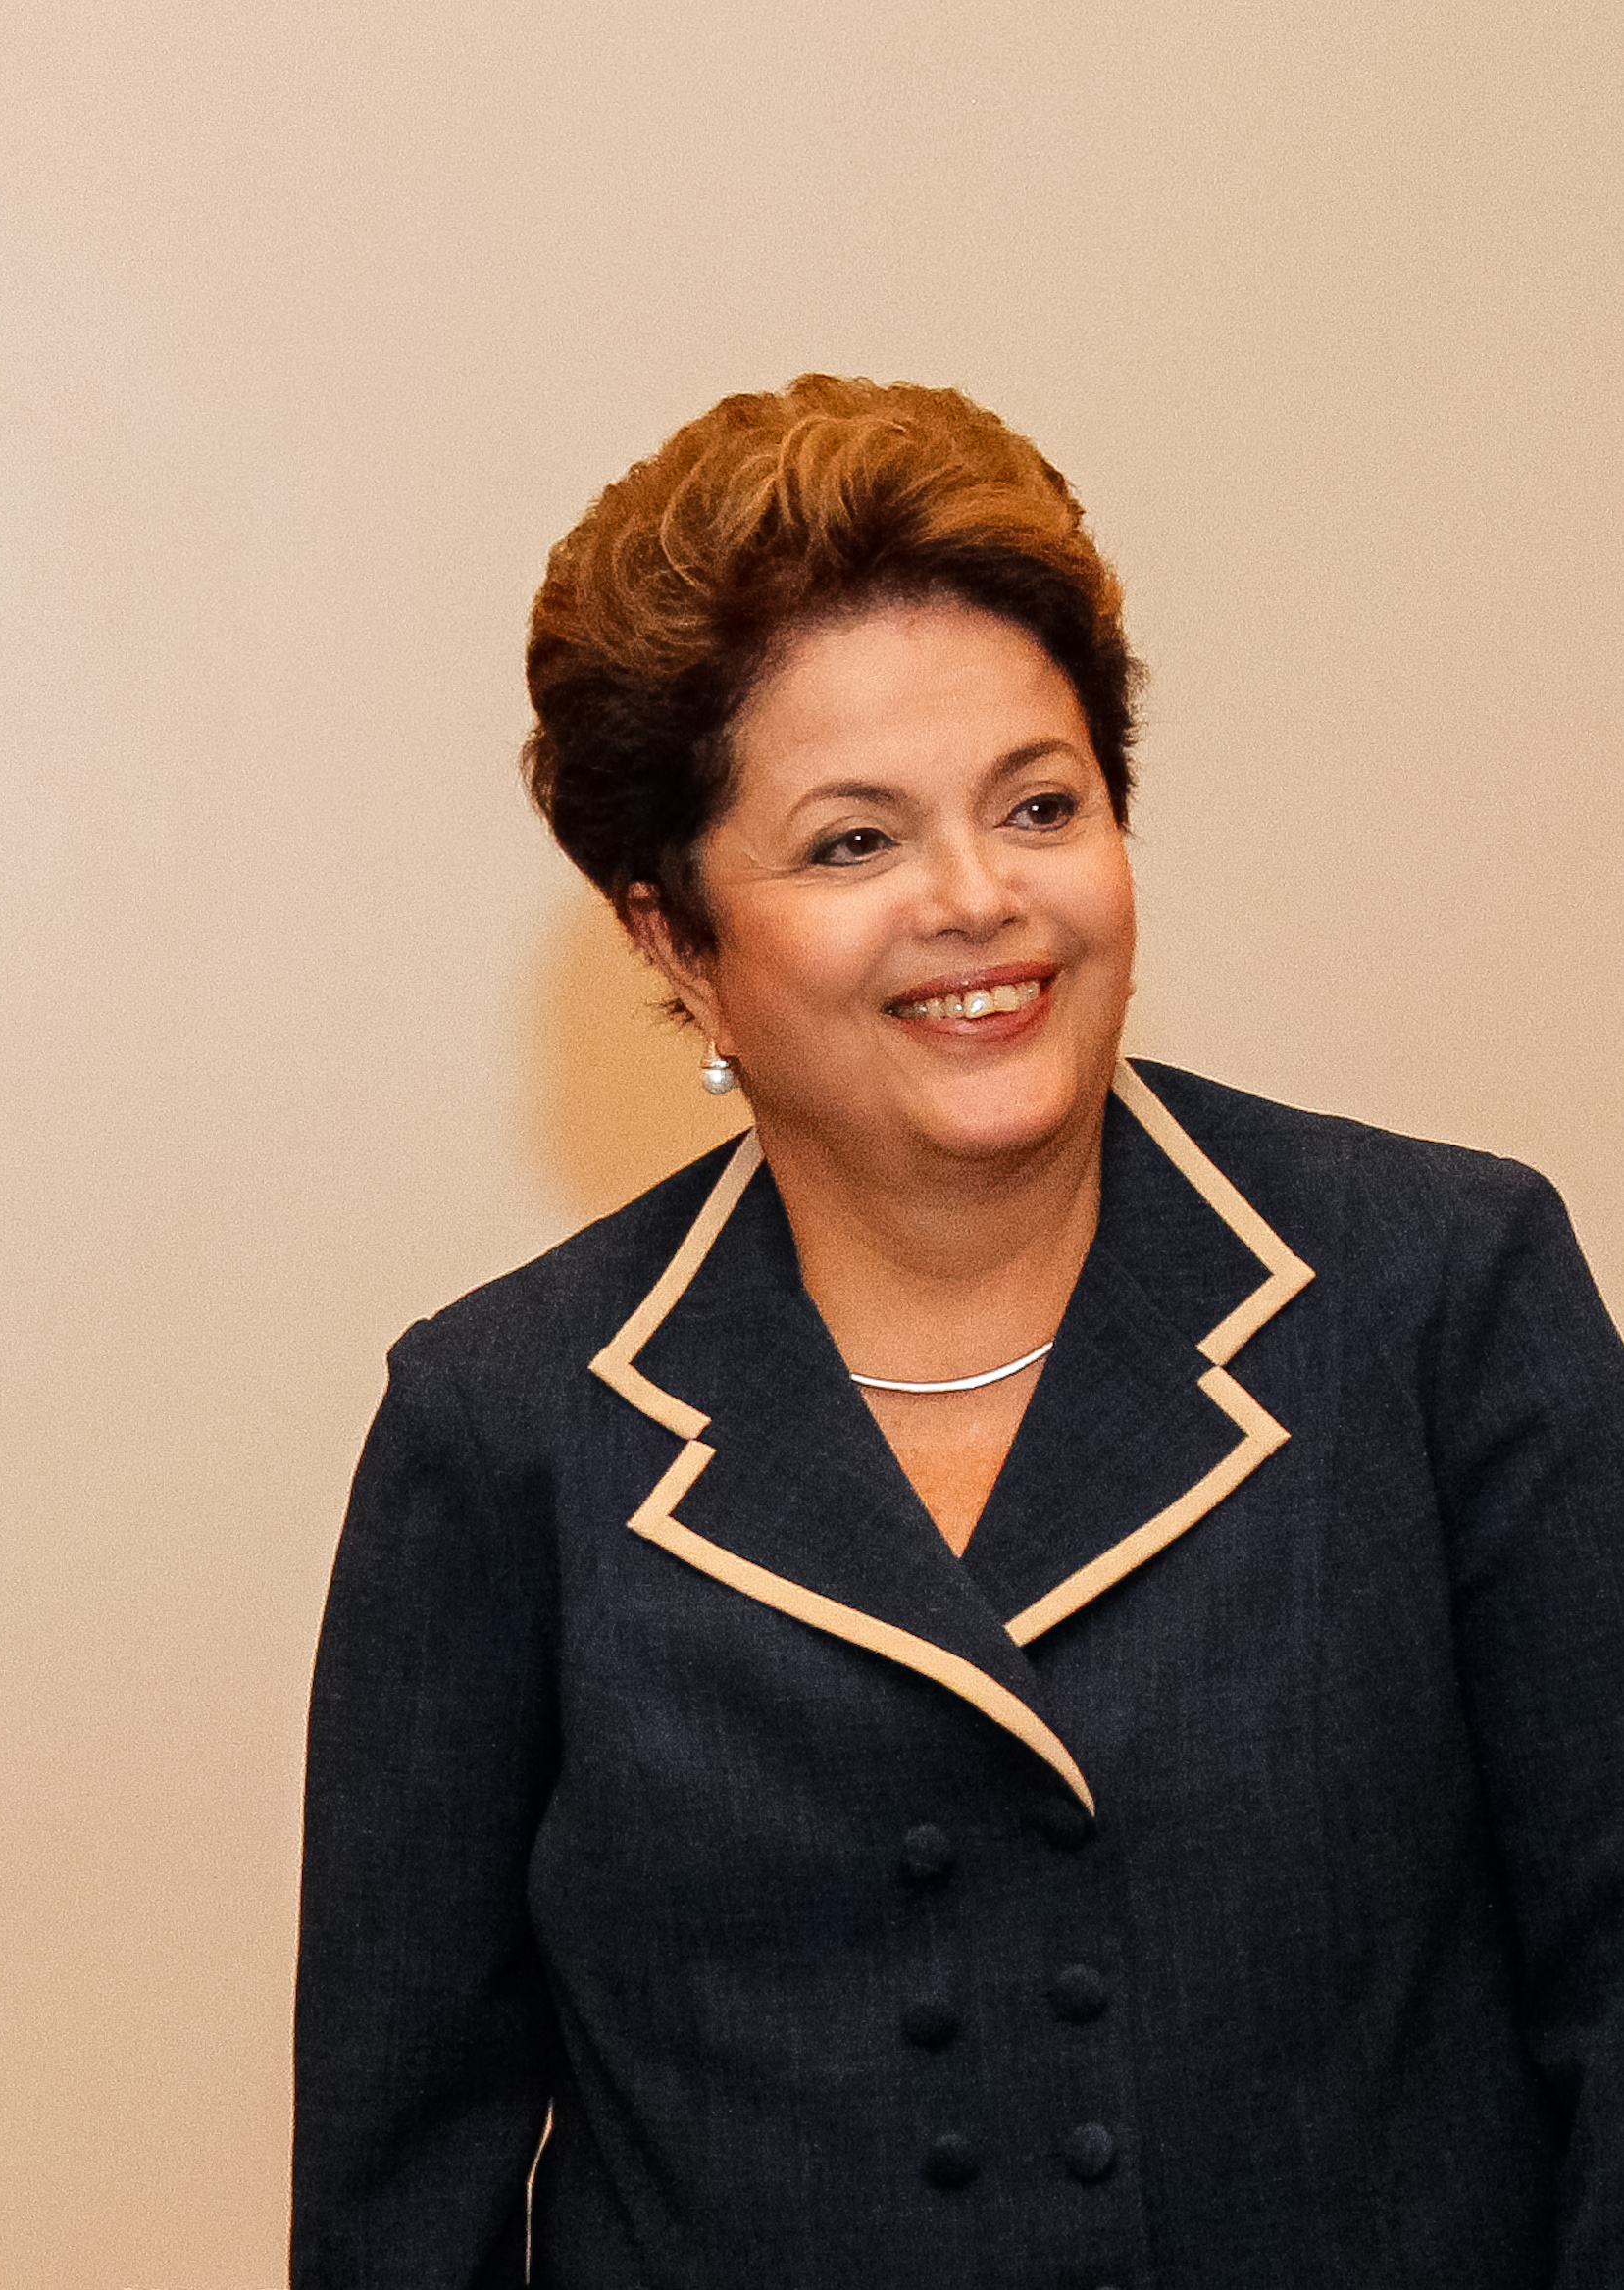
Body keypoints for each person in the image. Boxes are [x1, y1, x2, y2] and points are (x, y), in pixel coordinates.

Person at [291, 376, 1624, 2285]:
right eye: (852, 843)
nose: (979, 900)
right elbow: (396, 2192)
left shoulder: (1441, 1299)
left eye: (1039, 804)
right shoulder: (502, 1426)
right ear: (676, 941)